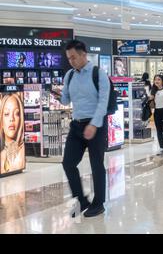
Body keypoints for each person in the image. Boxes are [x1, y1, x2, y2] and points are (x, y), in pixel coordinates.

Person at [56, 40, 110, 218]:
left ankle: (99, 203)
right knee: (68, 163)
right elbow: (66, 100)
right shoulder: (70, 75)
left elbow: (103, 102)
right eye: (68, 58)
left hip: (97, 125)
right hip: (77, 125)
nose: (71, 61)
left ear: (83, 55)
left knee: (96, 165)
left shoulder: (98, 74)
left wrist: (94, 124)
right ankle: (82, 199)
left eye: (74, 57)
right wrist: (57, 95)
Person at [0, 93, 25, 174]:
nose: (12, 119)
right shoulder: (2, 153)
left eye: (16, 113)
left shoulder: (21, 153)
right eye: (7, 114)